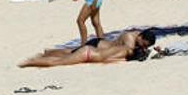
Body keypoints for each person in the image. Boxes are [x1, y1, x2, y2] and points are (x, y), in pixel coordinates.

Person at [19, 29, 155, 67]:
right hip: (97, 46)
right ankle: (32, 61)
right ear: (141, 37)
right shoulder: (130, 39)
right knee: (66, 57)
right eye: (144, 44)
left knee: (71, 52)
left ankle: (48, 52)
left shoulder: (135, 38)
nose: (143, 47)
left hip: (99, 46)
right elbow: (130, 51)